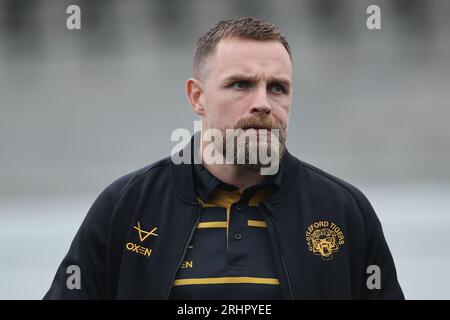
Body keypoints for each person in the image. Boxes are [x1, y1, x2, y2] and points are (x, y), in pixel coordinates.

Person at [44, 17, 404, 299]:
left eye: (278, 87)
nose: (263, 102)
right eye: (241, 85)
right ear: (197, 97)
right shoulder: (126, 206)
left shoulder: (343, 211)